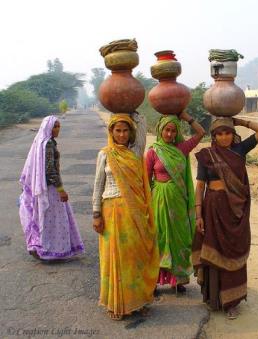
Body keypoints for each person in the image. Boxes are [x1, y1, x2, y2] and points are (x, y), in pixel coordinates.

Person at [192, 116, 258, 319]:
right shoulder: (206, 155)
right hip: (213, 208)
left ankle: (232, 302)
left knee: (232, 252)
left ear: (233, 135)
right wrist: (198, 214)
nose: (224, 137)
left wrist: (238, 121)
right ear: (214, 136)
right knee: (215, 251)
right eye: (219, 133)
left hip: (235, 211)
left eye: (227, 133)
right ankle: (213, 297)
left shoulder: (239, 150)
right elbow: (200, 186)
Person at [92, 114, 159, 320]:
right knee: (114, 258)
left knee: (134, 256)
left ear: (131, 133)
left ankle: (138, 301)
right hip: (111, 211)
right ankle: (116, 303)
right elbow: (98, 185)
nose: (121, 134)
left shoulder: (136, 152)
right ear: (111, 132)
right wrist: (96, 213)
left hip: (134, 212)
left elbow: (142, 124)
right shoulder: (104, 154)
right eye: (117, 130)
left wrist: (133, 111)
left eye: (125, 130)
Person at [146, 112, 205, 293]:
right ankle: (154, 280)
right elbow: (146, 180)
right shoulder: (153, 152)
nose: (170, 134)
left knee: (180, 239)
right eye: (166, 130)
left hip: (179, 202)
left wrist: (186, 116)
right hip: (159, 203)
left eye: (173, 130)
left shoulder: (181, 149)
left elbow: (201, 132)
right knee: (160, 239)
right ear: (160, 130)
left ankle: (178, 279)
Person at [19, 116, 84, 260]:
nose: (57, 129)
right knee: (54, 220)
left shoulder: (40, 142)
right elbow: (50, 170)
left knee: (42, 218)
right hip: (49, 188)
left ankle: (38, 247)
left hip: (40, 187)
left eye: (59, 126)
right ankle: (50, 250)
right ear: (48, 128)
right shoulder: (48, 144)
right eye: (55, 127)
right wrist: (60, 189)